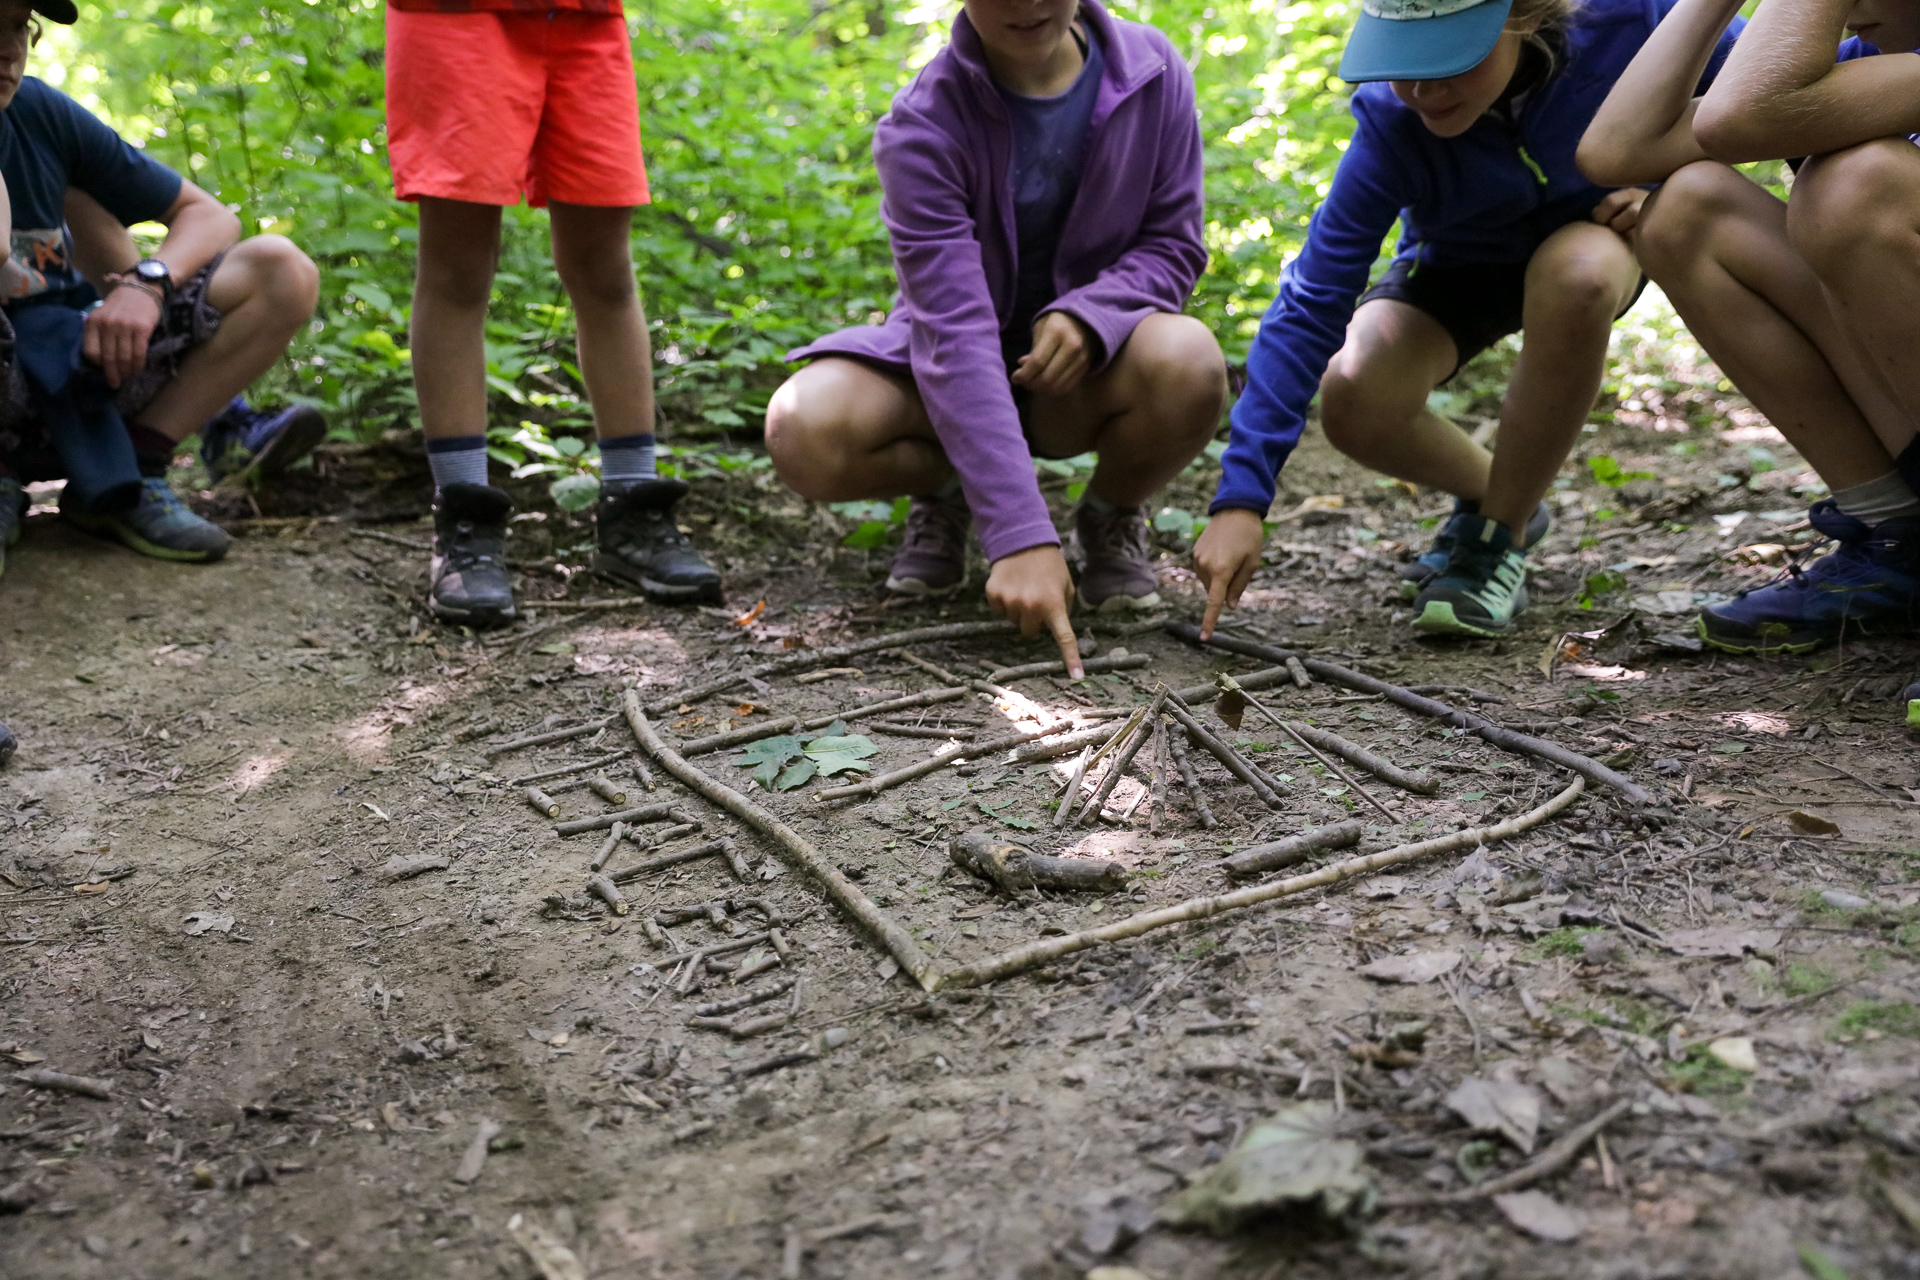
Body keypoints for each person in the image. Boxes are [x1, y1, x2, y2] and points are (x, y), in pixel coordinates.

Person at [1193, 0, 1738, 642]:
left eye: (1450, 56)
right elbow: (1312, 300)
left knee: (1577, 278)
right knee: (1357, 392)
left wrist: (1673, 186)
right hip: (1459, 263)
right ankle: (1505, 494)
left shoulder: (1630, 20)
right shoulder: (1393, 125)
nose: (1424, 88)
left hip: (1594, 237)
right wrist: (1241, 500)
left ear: (1523, 16)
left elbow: (1766, 89)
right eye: (1405, 61)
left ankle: (1495, 540)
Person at [765, 0, 1224, 675]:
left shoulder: (1152, 71)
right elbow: (952, 329)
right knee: (803, 426)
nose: (1026, 4)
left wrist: (1093, 315)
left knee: (1190, 360)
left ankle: (1111, 514)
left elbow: (1174, 246)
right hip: (944, 373)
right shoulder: (922, 122)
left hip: (1087, 377)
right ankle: (950, 493)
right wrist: (1020, 535)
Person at [1579, 0, 1920, 664]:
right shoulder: (1879, 68)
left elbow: (1743, 114)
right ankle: (1897, 539)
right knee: (1688, 211)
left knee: (1856, 186)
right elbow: (1619, 149)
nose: (1847, 16)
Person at [385, 0, 721, 627]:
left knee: (605, 268)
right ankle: (464, 522)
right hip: (454, 18)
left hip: (586, 17)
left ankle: (632, 508)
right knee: (457, 267)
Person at [0, 0, 320, 565]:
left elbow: (212, 217)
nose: (8, 49)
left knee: (280, 268)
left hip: (74, 370)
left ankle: (138, 470)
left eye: (16, 26)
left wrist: (145, 284)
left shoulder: (38, 111)